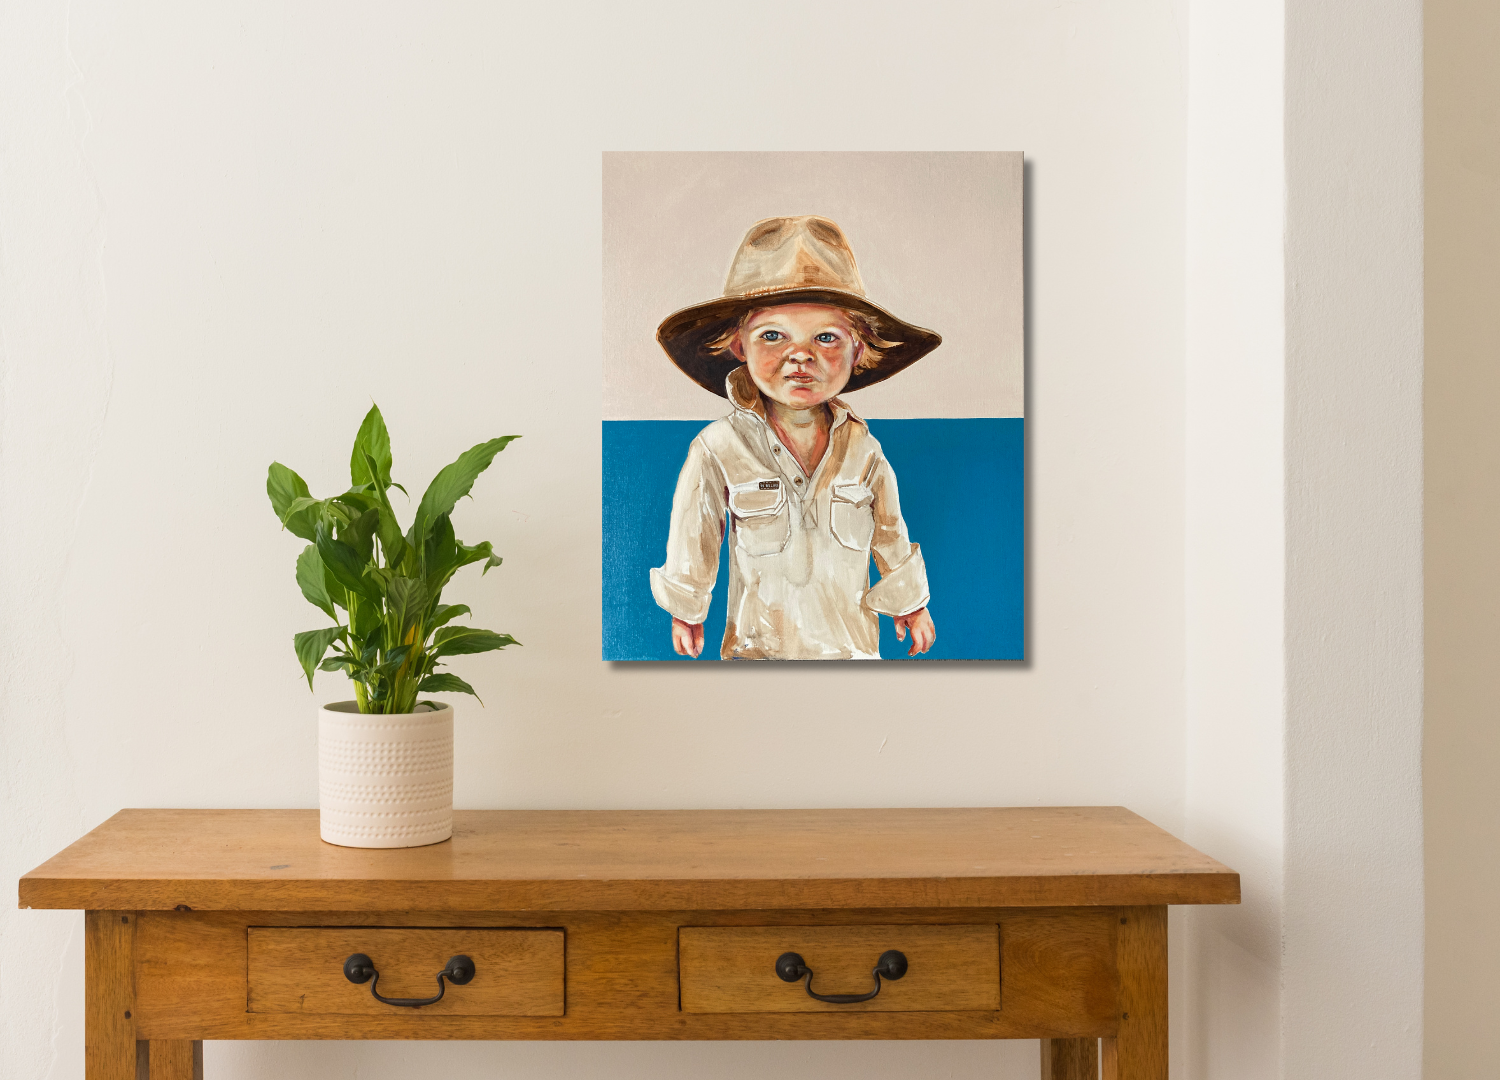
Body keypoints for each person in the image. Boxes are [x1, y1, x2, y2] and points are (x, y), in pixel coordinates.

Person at [649, 215, 942, 660]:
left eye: (825, 337)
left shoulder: (863, 450)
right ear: (739, 346)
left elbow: (889, 532)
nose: (800, 355)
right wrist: (686, 609)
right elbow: (695, 532)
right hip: (758, 655)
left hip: (852, 654)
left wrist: (911, 604)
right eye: (773, 336)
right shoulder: (717, 447)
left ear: (858, 349)